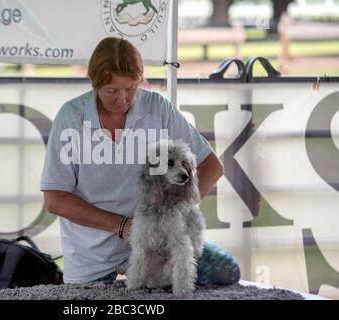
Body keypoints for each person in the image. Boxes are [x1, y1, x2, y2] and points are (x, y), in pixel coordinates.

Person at [40, 37, 240, 285]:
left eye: (131, 89)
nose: (122, 99)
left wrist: (176, 212)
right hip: (91, 258)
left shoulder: (158, 109)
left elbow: (211, 166)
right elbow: (55, 199)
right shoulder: (72, 118)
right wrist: (123, 227)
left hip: (160, 246)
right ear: (95, 84)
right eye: (112, 90)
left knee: (226, 270)